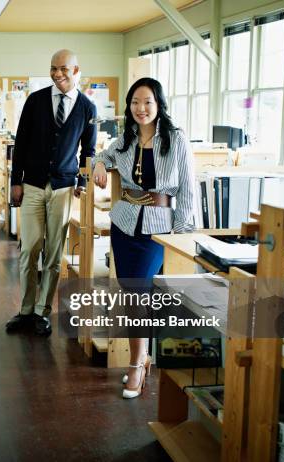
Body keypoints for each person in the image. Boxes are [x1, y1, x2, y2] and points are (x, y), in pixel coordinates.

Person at [93, 77, 195, 398]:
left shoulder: (176, 139)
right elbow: (106, 156)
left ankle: (136, 364)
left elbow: (188, 190)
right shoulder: (126, 137)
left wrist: (180, 234)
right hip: (125, 225)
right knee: (131, 295)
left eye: (147, 102)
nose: (141, 108)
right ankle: (142, 357)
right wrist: (98, 163)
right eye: (135, 102)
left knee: (138, 295)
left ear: (159, 104)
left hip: (159, 229)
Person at [5, 49, 97, 336]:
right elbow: (20, 143)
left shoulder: (87, 108)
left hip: (64, 187)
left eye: (63, 69)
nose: (57, 74)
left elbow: (89, 152)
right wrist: (15, 181)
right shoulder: (35, 101)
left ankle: (43, 312)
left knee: (54, 253)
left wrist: (83, 182)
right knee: (30, 248)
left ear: (76, 70)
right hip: (32, 184)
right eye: (53, 68)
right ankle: (25, 310)